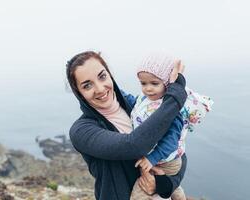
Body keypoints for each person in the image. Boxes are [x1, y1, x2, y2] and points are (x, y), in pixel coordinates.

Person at [66, 51, 187, 200]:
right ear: (79, 94)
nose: (100, 88)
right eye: (87, 85)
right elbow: (134, 145)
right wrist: (176, 91)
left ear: (110, 75)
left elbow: (178, 151)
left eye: (102, 76)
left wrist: (164, 184)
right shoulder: (82, 131)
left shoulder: (137, 106)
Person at [130, 53, 213, 200]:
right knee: (171, 187)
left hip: (165, 161)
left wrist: (151, 159)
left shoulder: (171, 109)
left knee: (139, 194)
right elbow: (135, 104)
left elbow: (171, 141)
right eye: (143, 83)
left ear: (167, 83)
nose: (148, 89)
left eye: (154, 83)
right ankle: (179, 196)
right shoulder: (146, 100)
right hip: (162, 160)